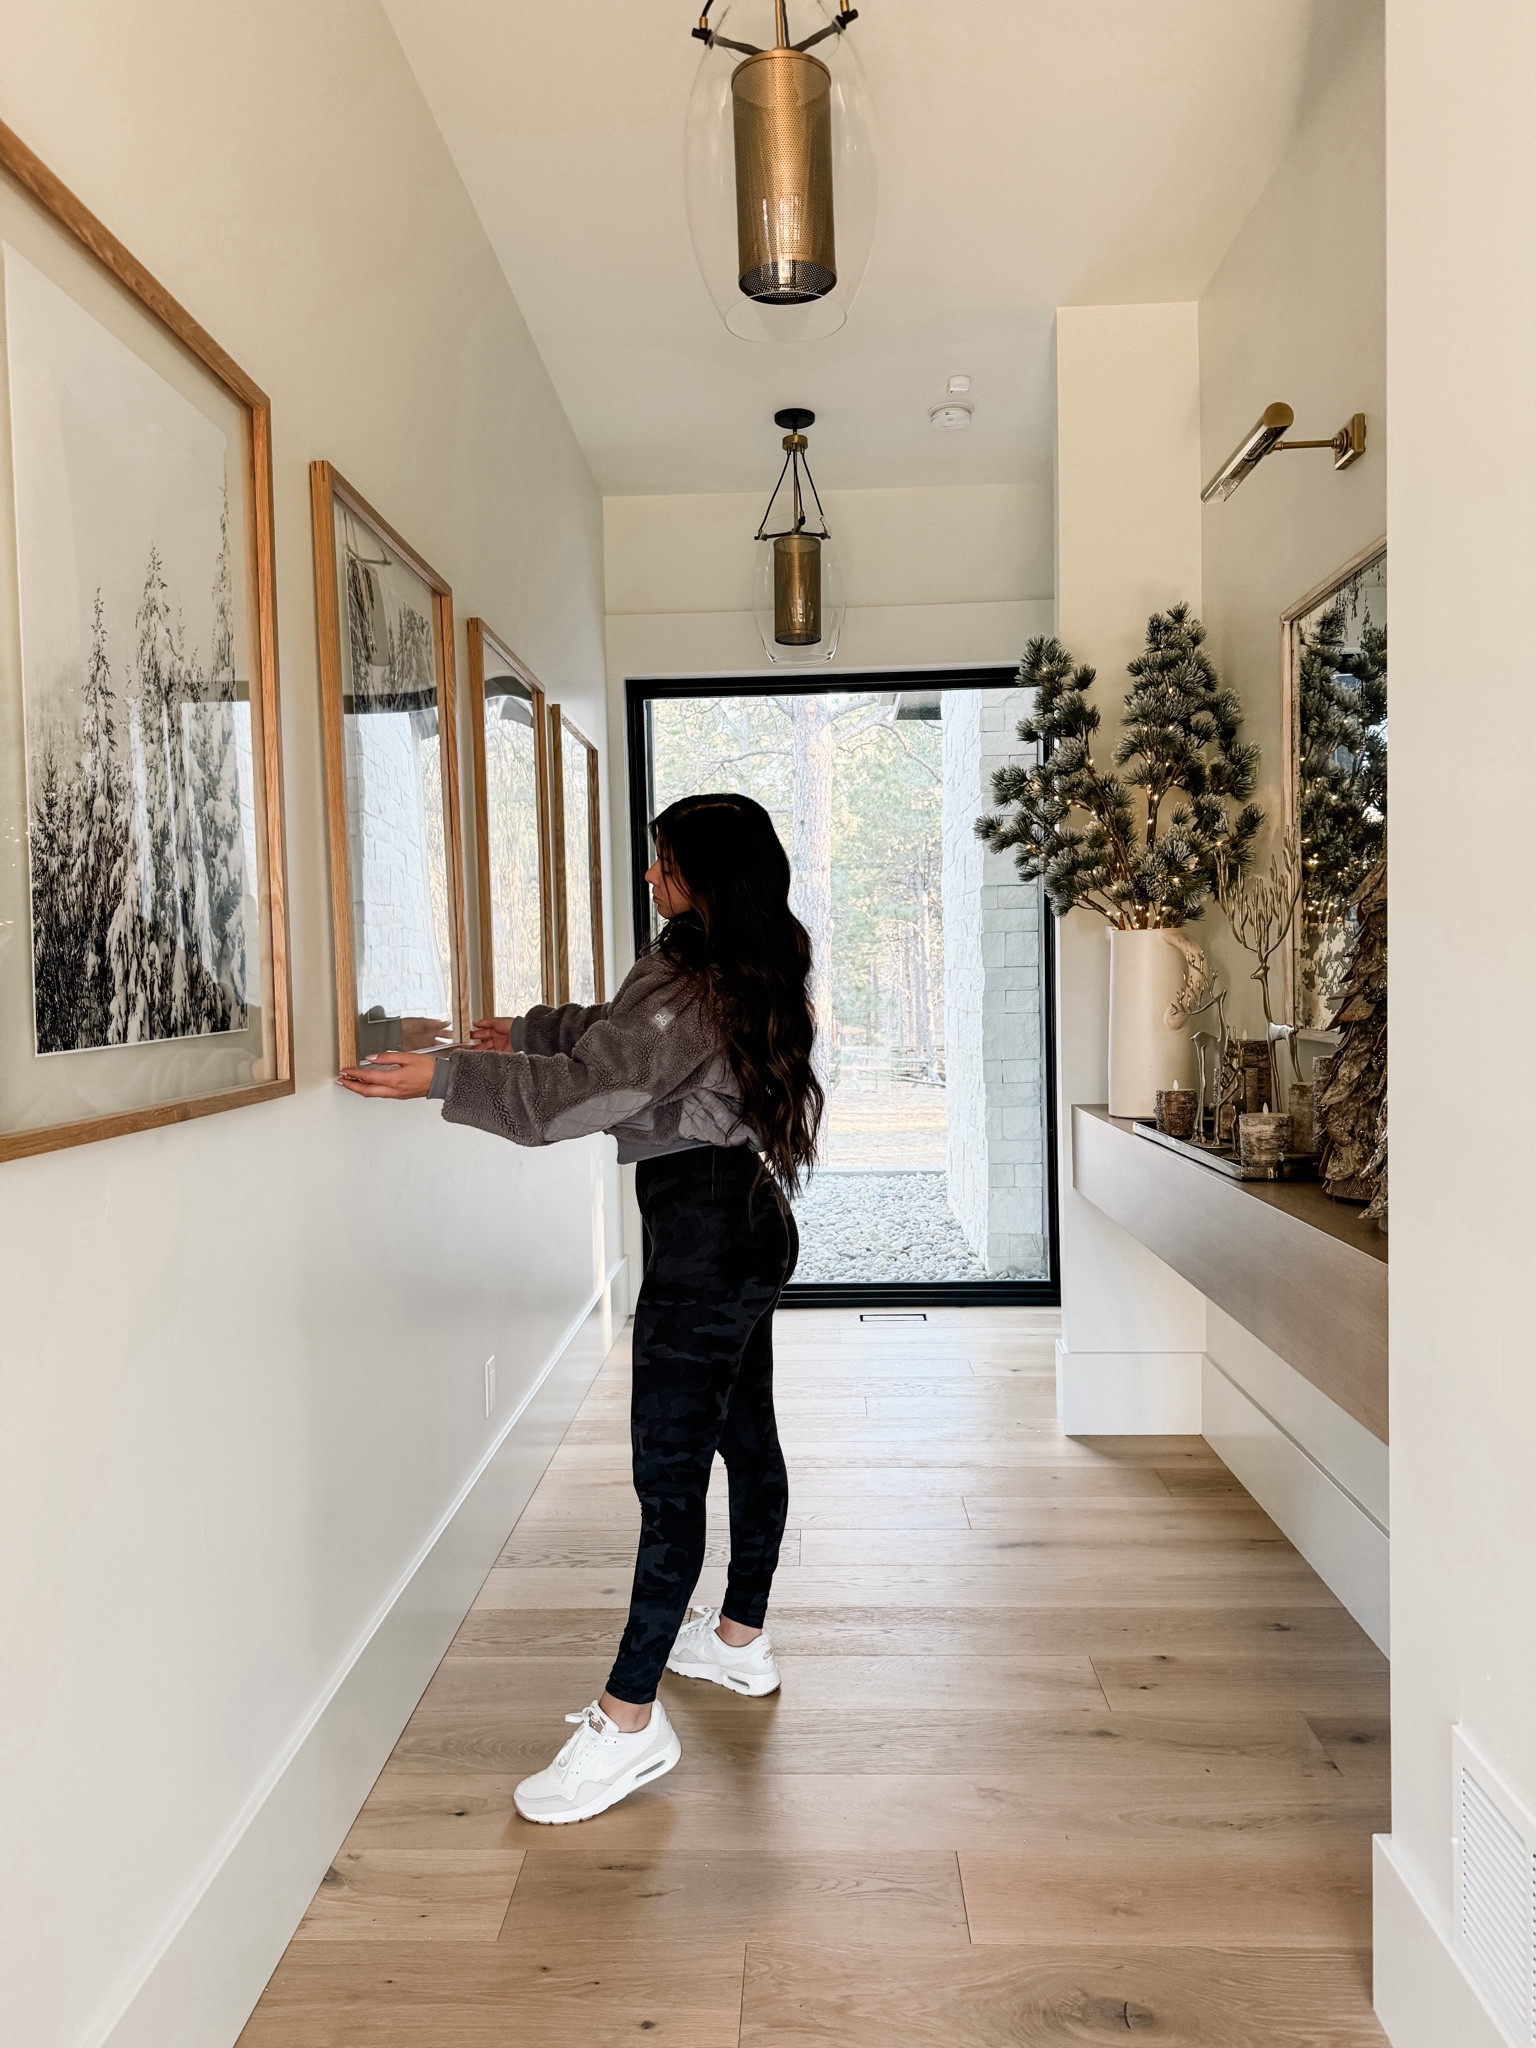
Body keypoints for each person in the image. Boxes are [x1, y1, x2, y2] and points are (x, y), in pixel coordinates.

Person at [337, 792, 821, 1823]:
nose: (651, 877)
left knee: (670, 1475)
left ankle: (631, 1719)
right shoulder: (718, 961)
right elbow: (617, 1040)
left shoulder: (699, 986)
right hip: (741, 1219)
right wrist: (532, 1026)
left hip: (707, 1235)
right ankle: (739, 1641)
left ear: (706, 875)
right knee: (744, 1434)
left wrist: (443, 1076)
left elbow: (580, 1095)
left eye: (665, 864)